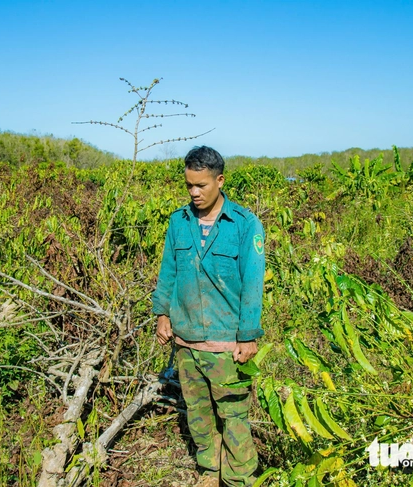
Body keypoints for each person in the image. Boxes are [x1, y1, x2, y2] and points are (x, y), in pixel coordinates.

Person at [152, 146, 265, 487]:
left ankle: (239, 478)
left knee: (233, 416)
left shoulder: (245, 225)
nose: (194, 193)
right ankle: (209, 472)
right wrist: (162, 314)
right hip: (186, 340)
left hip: (225, 343)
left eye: (201, 185)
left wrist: (247, 336)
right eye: (188, 185)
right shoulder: (178, 222)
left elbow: (253, 283)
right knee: (198, 415)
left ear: (219, 180)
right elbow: (168, 271)